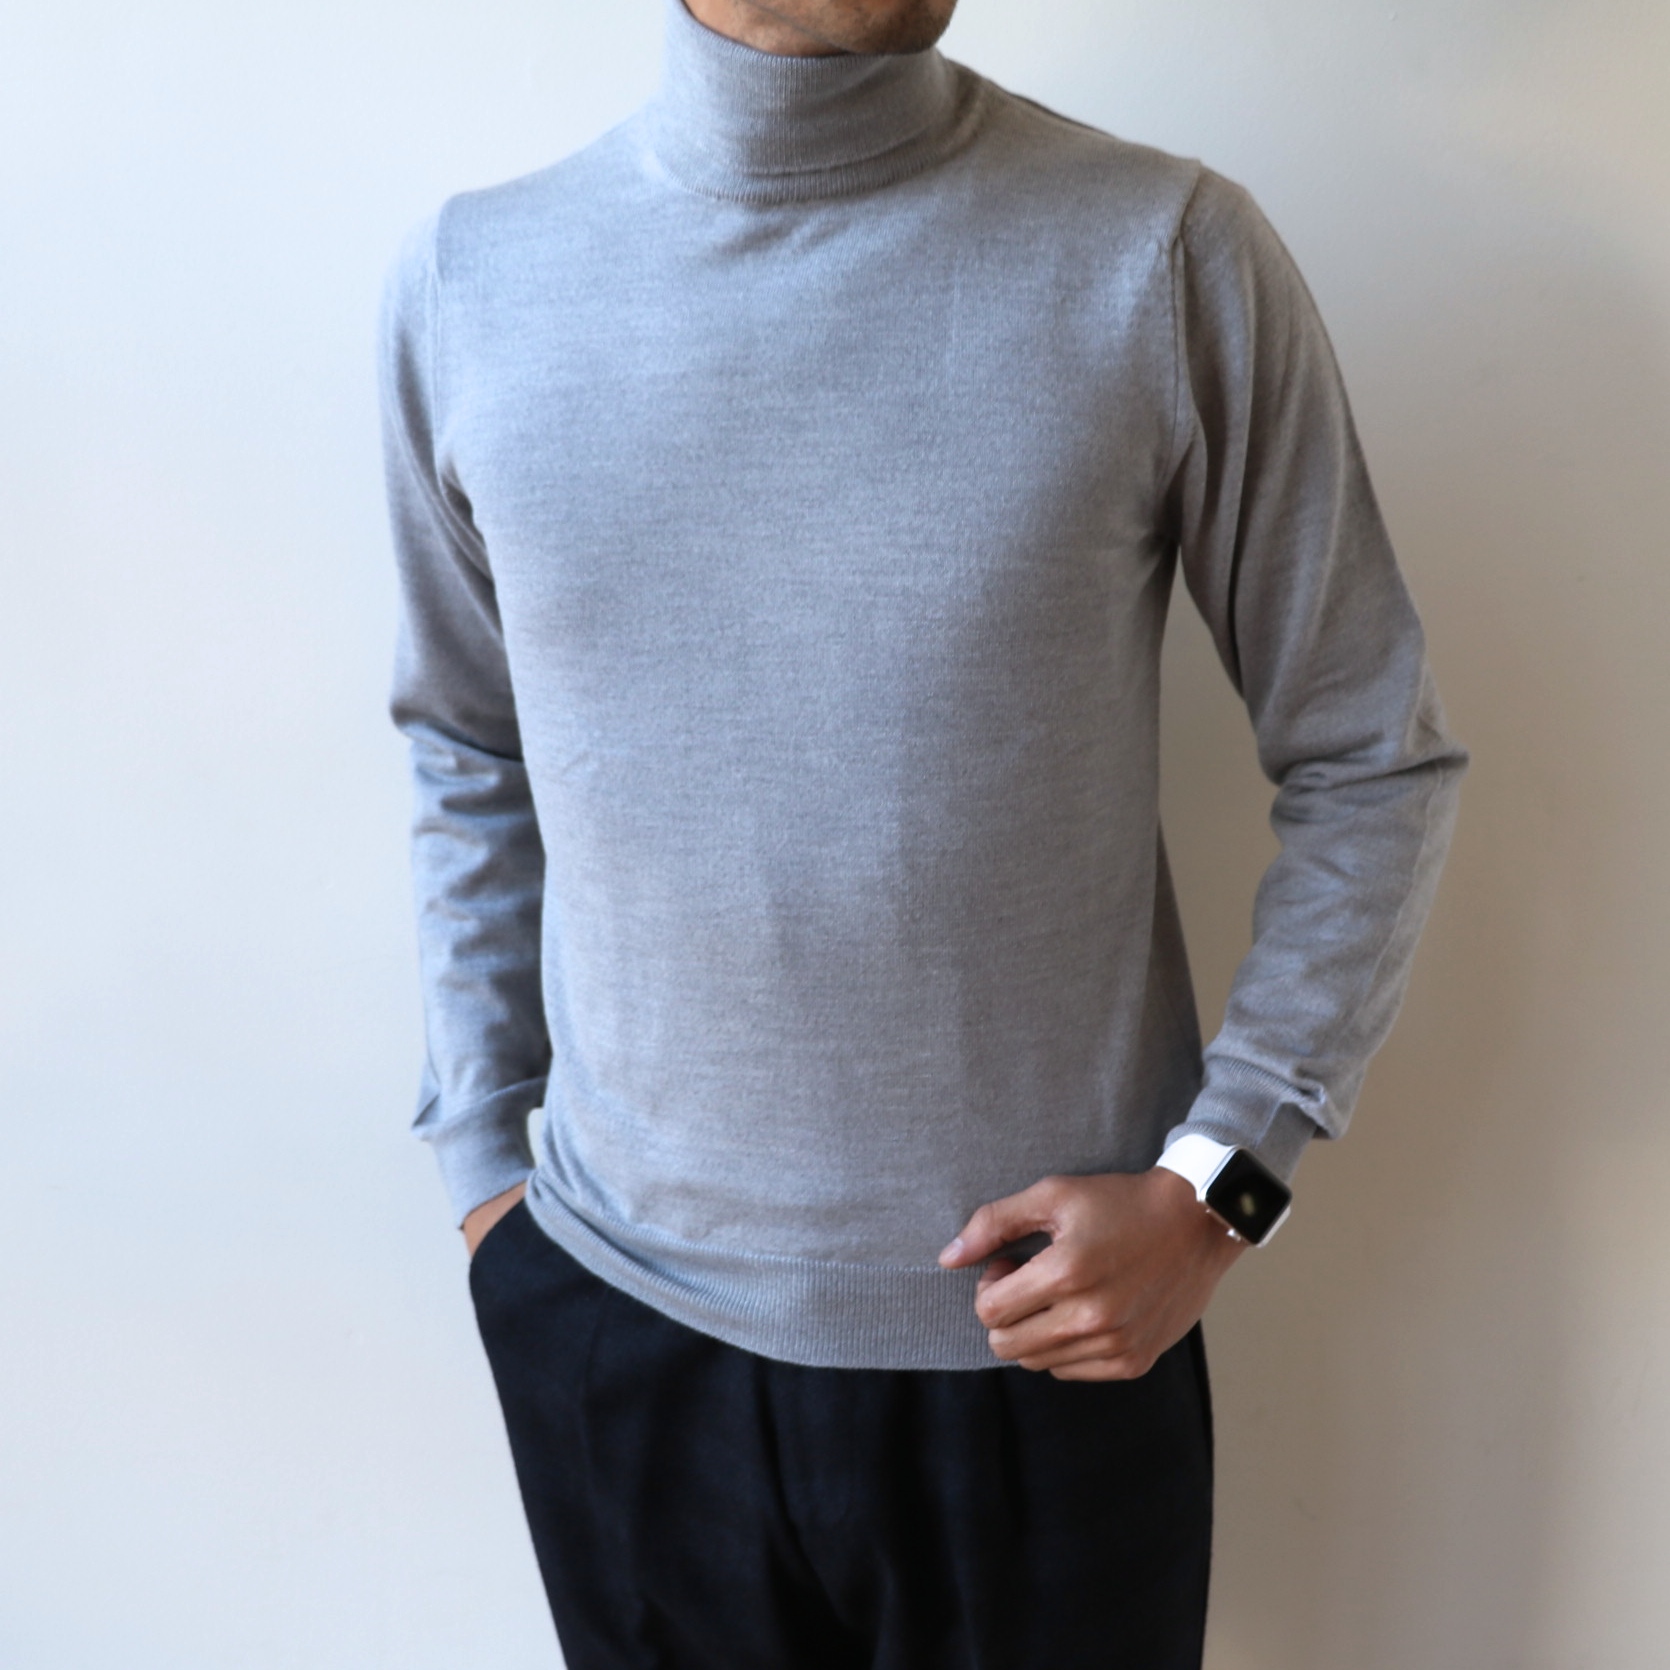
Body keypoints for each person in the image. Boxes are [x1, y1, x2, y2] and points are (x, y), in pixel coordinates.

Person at [377, 0, 1467, 1663]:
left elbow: (1369, 754)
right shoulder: (473, 282)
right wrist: (482, 1173)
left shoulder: (1160, 254)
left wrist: (1219, 1184)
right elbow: (465, 739)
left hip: (1043, 1340)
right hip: (612, 1331)